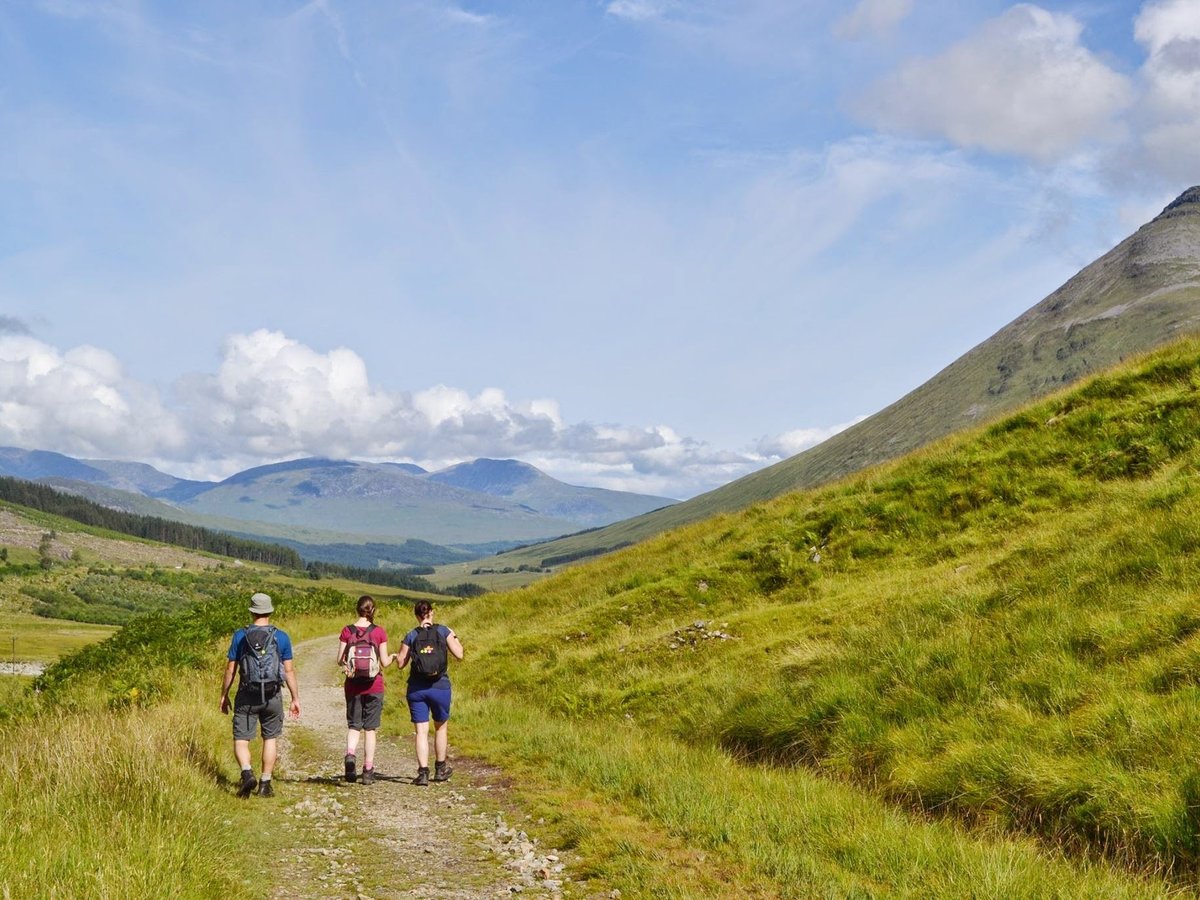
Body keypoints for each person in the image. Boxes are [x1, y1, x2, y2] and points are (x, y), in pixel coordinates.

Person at [219, 591, 300, 798]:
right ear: (269, 611)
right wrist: (295, 698)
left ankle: (247, 773)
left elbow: (231, 669)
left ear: (252, 612)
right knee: (270, 738)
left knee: (241, 739)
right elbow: (289, 670)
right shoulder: (281, 637)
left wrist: (224, 694)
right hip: (272, 695)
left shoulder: (240, 636)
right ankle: (265, 783)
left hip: (247, 694)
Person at [393, 600, 464, 785]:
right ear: (432, 612)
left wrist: (396, 656)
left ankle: (423, 773)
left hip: (417, 688)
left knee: (421, 732)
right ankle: (440, 769)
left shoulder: (411, 635)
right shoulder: (443, 631)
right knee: (440, 727)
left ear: (416, 615)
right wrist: (454, 637)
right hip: (440, 687)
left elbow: (401, 664)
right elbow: (460, 654)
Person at [337, 595, 393, 785]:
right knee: (370, 729)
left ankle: (350, 754)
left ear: (357, 609)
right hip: (374, 686)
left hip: (353, 685)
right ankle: (368, 770)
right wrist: (393, 657)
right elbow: (384, 662)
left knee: (354, 726)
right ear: (373, 610)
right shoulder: (379, 632)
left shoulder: (347, 630)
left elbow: (339, 660)